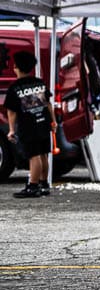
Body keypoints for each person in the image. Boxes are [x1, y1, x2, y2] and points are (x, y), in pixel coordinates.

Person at [5, 51, 55, 199]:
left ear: (16, 67)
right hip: (43, 121)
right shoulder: (39, 83)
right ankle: (44, 184)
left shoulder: (15, 88)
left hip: (29, 126)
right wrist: (53, 121)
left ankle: (32, 186)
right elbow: (47, 103)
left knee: (34, 156)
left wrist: (12, 129)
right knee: (44, 154)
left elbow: (12, 111)